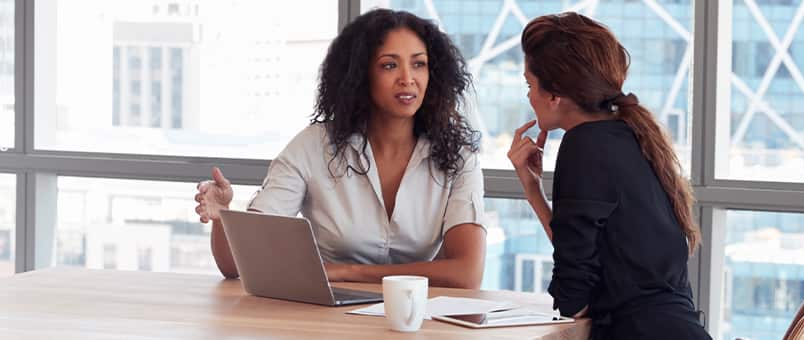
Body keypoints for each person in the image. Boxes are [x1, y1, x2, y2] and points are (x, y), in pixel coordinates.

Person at [194, 9, 486, 289]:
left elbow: (467, 273)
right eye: (389, 65)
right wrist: (222, 216)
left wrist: (349, 272)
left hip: (415, 320)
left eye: (419, 64)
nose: (407, 78)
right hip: (325, 316)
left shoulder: (458, 157)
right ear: (360, 75)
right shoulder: (313, 146)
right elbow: (239, 263)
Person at [508, 12, 711, 339]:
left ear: (554, 94)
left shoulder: (583, 145)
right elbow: (590, 262)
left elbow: (572, 298)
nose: (529, 96)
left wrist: (534, 192)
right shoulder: (631, 135)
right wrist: (533, 190)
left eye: (529, 84)